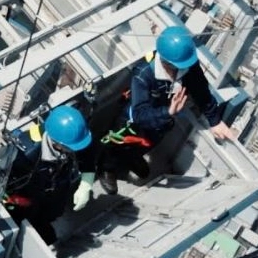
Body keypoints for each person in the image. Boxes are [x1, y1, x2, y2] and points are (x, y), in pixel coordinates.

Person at [97, 25, 236, 194]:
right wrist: (168, 111)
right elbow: (140, 114)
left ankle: (132, 158)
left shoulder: (187, 65)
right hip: (134, 122)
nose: (181, 69)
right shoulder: (143, 74)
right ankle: (107, 168)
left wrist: (215, 121)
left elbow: (201, 90)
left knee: (149, 143)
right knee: (120, 145)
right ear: (165, 61)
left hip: (162, 122)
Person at [4, 105, 96, 245]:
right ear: (57, 144)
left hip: (55, 190)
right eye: (71, 148)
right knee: (26, 220)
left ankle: (44, 224)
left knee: (51, 214)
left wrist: (86, 184)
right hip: (27, 198)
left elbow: (86, 152)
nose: (75, 151)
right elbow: (7, 181)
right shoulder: (27, 153)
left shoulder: (71, 140)